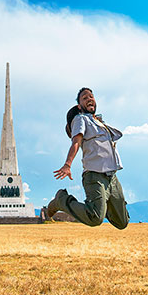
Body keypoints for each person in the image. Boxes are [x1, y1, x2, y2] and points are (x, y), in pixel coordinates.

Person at [47, 87, 129, 229]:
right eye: (84, 98)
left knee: (122, 223)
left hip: (112, 178)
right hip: (94, 176)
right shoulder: (80, 119)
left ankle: (103, 204)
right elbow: (76, 142)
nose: (89, 99)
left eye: (91, 96)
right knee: (95, 218)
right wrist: (67, 164)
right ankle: (61, 200)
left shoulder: (100, 123)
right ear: (80, 106)